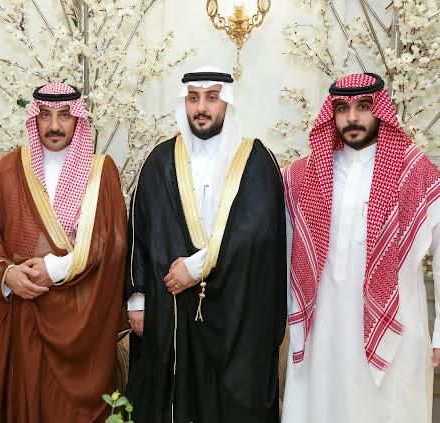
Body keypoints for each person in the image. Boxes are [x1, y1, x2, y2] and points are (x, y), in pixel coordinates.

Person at [125, 66, 287, 422]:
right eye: (193, 98)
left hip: (238, 310)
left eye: (212, 98)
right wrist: (137, 300)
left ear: (227, 102)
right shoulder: (159, 161)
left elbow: (259, 234)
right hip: (172, 312)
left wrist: (196, 267)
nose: (201, 108)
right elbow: (140, 228)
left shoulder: (255, 160)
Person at [0, 82, 127, 423]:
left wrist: (55, 269)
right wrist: (8, 274)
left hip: (81, 314)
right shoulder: (11, 168)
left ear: (77, 119)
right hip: (25, 309)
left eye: (64, 115)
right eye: (46, 115)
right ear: (34, 119)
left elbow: (110, 242)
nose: (54, 125)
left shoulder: (101, 171)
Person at [281, 72, 440, 423]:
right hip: (322, 330)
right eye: (342, 108)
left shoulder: (416, 175)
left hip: (395, 328)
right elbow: (283, 253)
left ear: (379, 110)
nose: (352, 117)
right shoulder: (303, 176)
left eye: (363, 106)